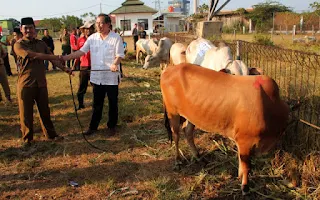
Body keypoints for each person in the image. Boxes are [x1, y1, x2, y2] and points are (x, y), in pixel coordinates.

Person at [62, 13, 125, 136]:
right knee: (97, 103)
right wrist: (66, 58)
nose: (99, 26)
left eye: (101, 23)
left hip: (111, 78)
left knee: (113, 103)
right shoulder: (92, 38)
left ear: (108, 24)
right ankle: (93, 127)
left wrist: (115, 64)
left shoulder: (116, 37)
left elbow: (119, 55)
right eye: (97, 23)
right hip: (97, 78)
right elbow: (81, 52)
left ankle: (112, 125)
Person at [14, 17, 72, 145]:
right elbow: (34, 55)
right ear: (22, 30)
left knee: (45, 111)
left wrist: (64, 68)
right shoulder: (19, 44)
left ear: (35, 29)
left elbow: (52, 60)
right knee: (26, 114)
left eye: (31, 27)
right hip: (26, 84)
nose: (29, 30)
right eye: (26, 28)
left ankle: (51, 135)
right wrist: (55, 56)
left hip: (41, 83)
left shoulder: (41, 44)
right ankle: (27, 139)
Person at [73, 21, 95, 110]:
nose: (88, 30)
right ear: (84, 30)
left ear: (93, 29)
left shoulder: (96, 39)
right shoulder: (80, 40)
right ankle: (81, 104)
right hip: (84, 66)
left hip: (95, 66)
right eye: (86, 28)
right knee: (82, 86)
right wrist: (74, 66)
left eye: (90, 28)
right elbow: (78, 54)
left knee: (96, 87)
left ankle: (96, 104)